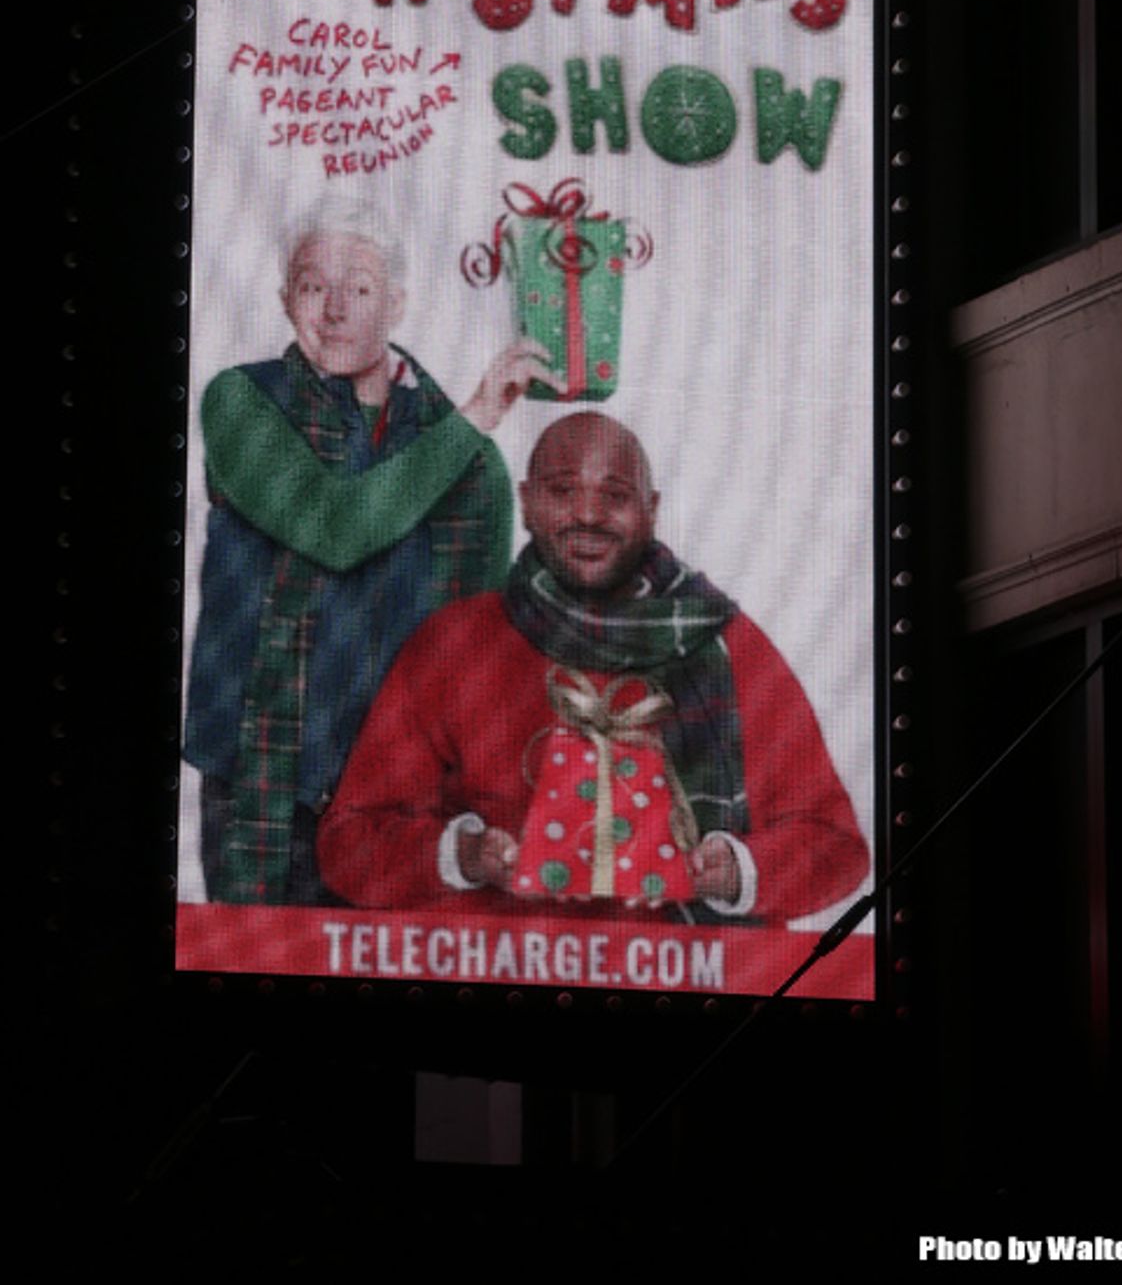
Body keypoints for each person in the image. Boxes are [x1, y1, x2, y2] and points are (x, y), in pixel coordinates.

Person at [319, 412, 869, 924]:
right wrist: (464, 855)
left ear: (651, 510)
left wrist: (737, 870)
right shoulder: (453, 643)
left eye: (615, 496)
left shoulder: (726, 643)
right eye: (562, 492)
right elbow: (349, 846)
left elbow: (836, 848)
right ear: (528, 503)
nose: (587, 515)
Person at [184, 202, 556, 905]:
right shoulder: (240, 401)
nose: (332, 310)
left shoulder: (469, 463)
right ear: (284, 301)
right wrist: (477, 415)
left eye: (357, 287)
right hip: (264, 790)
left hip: (400, 806)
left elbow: (481, 645)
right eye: (310, 286)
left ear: (396, 305)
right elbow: (334, 526)